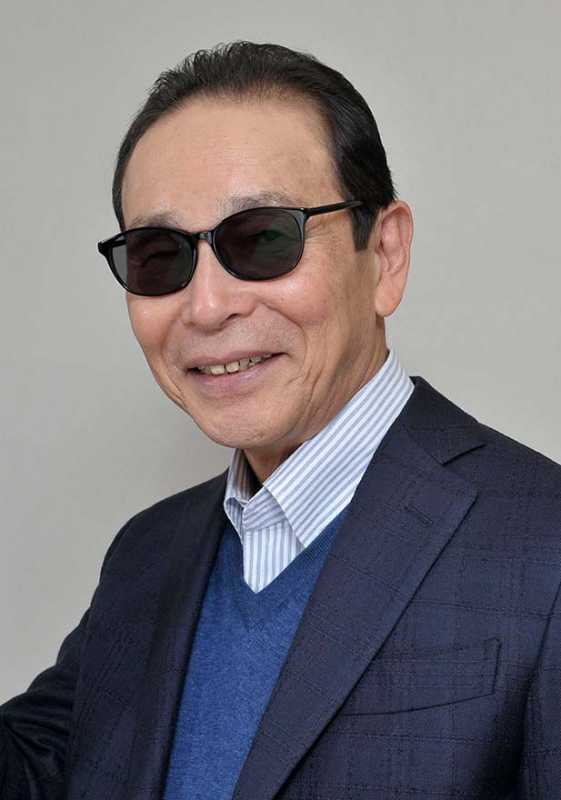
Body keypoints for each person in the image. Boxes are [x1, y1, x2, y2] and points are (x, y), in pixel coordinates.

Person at [1, 40, 561, 800]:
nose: (207, 307)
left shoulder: (543, 546)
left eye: (264, 238)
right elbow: (35, 769)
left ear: (385, 254)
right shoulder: (146, 555)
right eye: (159, 255)